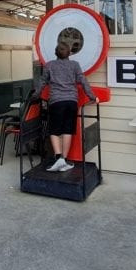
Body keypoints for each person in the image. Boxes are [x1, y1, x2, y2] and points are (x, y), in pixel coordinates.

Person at [36, 42, 97, 172]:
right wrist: (92, 96)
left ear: (55, 53)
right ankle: (63, 160)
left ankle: (59, 158)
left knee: (54, 131)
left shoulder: (49, 65)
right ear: (69, 53)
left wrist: (35, 95)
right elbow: (83, 81)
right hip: (71, 102)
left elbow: (41, 83)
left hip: (56, 102)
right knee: (67, 131)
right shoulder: (75, 65)